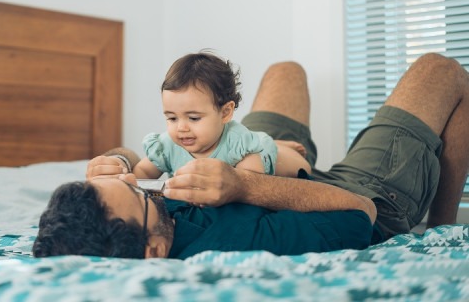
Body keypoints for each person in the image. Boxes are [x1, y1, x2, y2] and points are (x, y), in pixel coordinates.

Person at [33, 53, 469, 259]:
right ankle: (443, 226)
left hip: (255, 163)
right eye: (144, 197)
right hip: (354, 195)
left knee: (286, 71)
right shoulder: (235, 246)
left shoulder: (131, 217)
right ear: (155, 250)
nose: (147, 190)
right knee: (442, 71)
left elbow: (143, 161)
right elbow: (361, 210)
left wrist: (119, 163)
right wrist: (244, 184)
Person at [132, 52, 310, 179]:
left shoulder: (238, 142)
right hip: (248, 141)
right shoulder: (167, 145)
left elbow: (250, 182)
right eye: (172, 118)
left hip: (267, 156)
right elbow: (144, 172)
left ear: (225, 113)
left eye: (193, 118)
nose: (181, 128)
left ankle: (274, 144)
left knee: (302, 166)